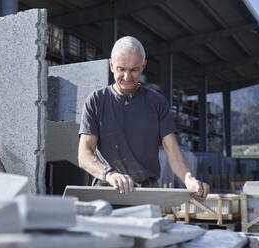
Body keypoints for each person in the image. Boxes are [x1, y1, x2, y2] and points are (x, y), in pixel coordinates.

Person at [78, 36, 209, 201]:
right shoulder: (96, 101)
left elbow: (173, 152)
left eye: (134, 70)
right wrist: (109, 174)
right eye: (121, 69)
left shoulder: (157, 103)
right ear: (111, 65)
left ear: (143, 66)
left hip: (147, 193)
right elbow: (84, 155)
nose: (127, 77)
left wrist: (189, 179)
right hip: (107, 191)